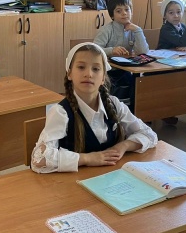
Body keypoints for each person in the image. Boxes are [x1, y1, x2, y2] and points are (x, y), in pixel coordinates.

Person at [30, 42, 158, 173]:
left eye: (96, 69)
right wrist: (87, 158)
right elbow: (39, 159)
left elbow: (149, 135)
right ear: (69, 74)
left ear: (103, 78)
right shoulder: (61, 112)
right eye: (81, 67)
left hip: (110, 176)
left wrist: (123, 146)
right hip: (74, 181)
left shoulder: (114, 104)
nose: (89, 74)